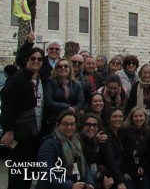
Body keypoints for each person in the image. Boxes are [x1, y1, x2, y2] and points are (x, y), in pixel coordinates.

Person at [1, 46, 44, 189]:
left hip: (33, 132)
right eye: (33, 58)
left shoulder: (37, 78)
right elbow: (8, 105)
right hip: (21, 133)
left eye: (39, 59)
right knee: (18, 172)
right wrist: (9, 130)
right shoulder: (18, 79)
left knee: (27, 173)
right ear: (26, 60)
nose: (36, 61)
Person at [37, 110, 95, 189]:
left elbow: (84, 164)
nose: (69, 127)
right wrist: (69, 185)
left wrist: (90, 183)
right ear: (58, 125)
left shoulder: (76, 142)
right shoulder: (49, 144)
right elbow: (45, 173)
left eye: (72, 124)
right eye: (65, 124)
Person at [44, 58, 85, 132]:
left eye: (66, 66)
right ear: (56, 69)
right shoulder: (50, 81)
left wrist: (74, 109)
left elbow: (81, 101)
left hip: (71, 119)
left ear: (70, 69)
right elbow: (48, 101)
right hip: (54, 120)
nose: (63, 68)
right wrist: (67, 107)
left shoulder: (77, 83)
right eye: (60, 66)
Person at [119, 107, 150, 189]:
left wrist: (142, 166)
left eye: (141, 116)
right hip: (126, 169)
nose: (138, 118)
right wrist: (123, 171)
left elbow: (149, 151)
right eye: (136, 116)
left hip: (141, 168)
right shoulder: (124, 130)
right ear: (131, 118)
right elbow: (120, 152)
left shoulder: (149, 131)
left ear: (145, 117)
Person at [79, 113, 113, 189]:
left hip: (94, 175)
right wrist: (102, 177)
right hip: (82, 180)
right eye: (88, 124)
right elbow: (83, 167)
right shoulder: (78, 141)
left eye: (95, 125)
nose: (91, 128)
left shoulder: (95, 141)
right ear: (82, 126)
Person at [99, 107, 127, 189]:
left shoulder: (121, 133)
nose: (118, 119)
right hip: (109, 175)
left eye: (120, 116)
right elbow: (110, 161)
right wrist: (120, 181)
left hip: (119, 172)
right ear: (109, 119)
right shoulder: (105, 135)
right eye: (115, 116)